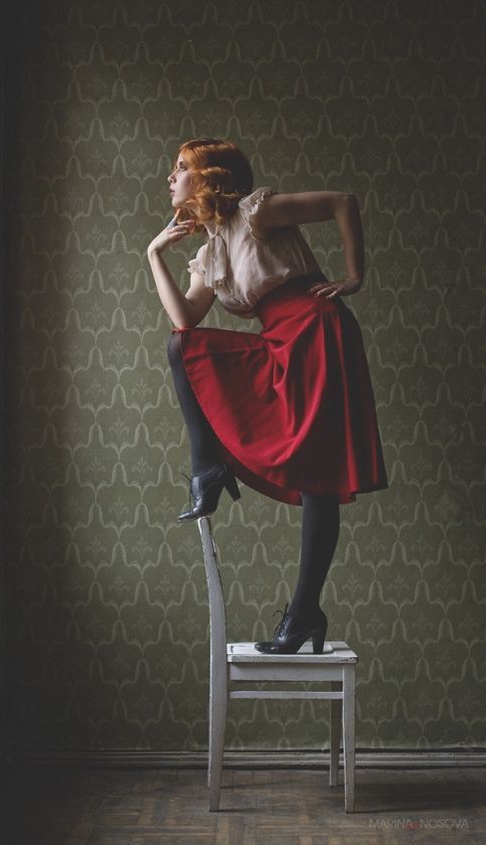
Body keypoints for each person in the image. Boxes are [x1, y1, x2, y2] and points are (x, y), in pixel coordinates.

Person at [147, 138, 387, 655]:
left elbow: (342, 201)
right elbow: (185, 321)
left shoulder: (256, 213)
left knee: (319, 477)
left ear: (208, 175)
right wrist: (154, 254)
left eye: (180, 168)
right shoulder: (209, 253)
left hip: (316, 329)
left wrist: (353, 276)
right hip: (279, 339)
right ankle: (207, 467)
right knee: (183, 348)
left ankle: (303, 612)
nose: (170, 178)